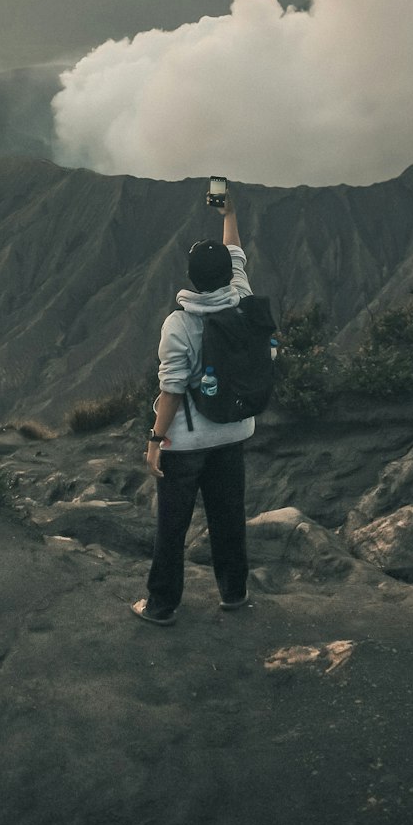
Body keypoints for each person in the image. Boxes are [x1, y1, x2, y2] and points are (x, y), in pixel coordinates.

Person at [131, 188, 256, 626]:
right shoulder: (242, 299)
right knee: (228, 517)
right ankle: (235, 592)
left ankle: (162, 604)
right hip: (234, 432)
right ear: (226, 275)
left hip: (186, 443)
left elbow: (171, 390)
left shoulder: (179, 323)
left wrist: (154, 440)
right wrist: (230, 213)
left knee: (173, 526)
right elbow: (236, 254)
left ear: (190, 278)